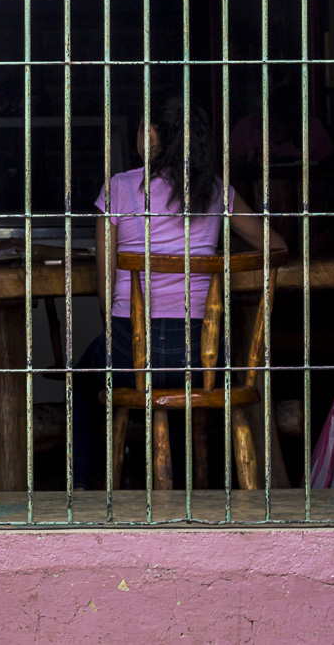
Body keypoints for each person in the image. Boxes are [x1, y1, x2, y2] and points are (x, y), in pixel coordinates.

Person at [71, 94, 283, 489]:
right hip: (200, 359)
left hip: (130, 352)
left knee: (83, 378)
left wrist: (130, 338)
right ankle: (193, 487)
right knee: (183, 386)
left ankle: (82, 486)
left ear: (153, 135)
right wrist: (219, 262)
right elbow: (275, 246)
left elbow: (105, 292)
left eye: (141, 127)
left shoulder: (119, 189)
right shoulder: (217, 192)